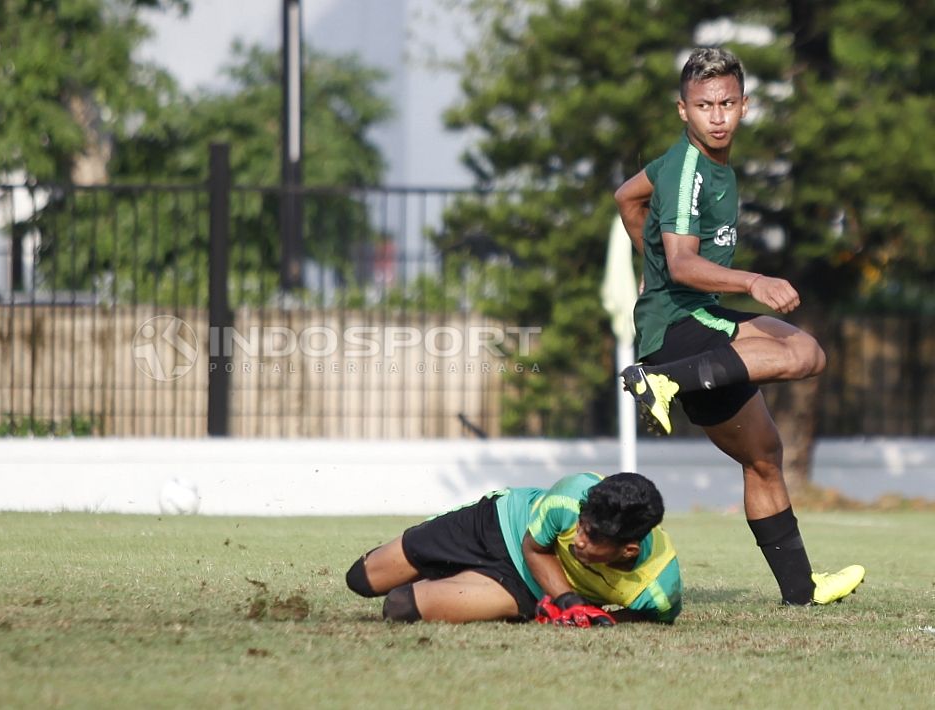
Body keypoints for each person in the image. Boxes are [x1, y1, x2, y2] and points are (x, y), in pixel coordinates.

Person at [613, 47, 864, 606]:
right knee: (805, 355)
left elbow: (627, 197)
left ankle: (801, 591)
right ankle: (667, 380)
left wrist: (647, 269)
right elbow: (682, 263)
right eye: (705, 105)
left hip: (691, 321)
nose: (718, 115)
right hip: (682, 327)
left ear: (745, 106)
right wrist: (750, 282)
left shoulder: (690, 164)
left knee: (764, 456)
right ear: (684, 110)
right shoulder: (688, 172)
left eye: (727, 103)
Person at [345, 472, 681, 625]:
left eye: (594, 539)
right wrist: (570, 602)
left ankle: (456, 580)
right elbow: (535, 549)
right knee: (361, 579)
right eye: (582, 526)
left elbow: (651, 615)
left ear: (628, 550)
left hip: (525, 587)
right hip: (493, 523)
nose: (580, 538)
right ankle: (439, 563)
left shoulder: (659, 586)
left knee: (399, 606)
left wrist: (602, 620)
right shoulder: (571, 495)